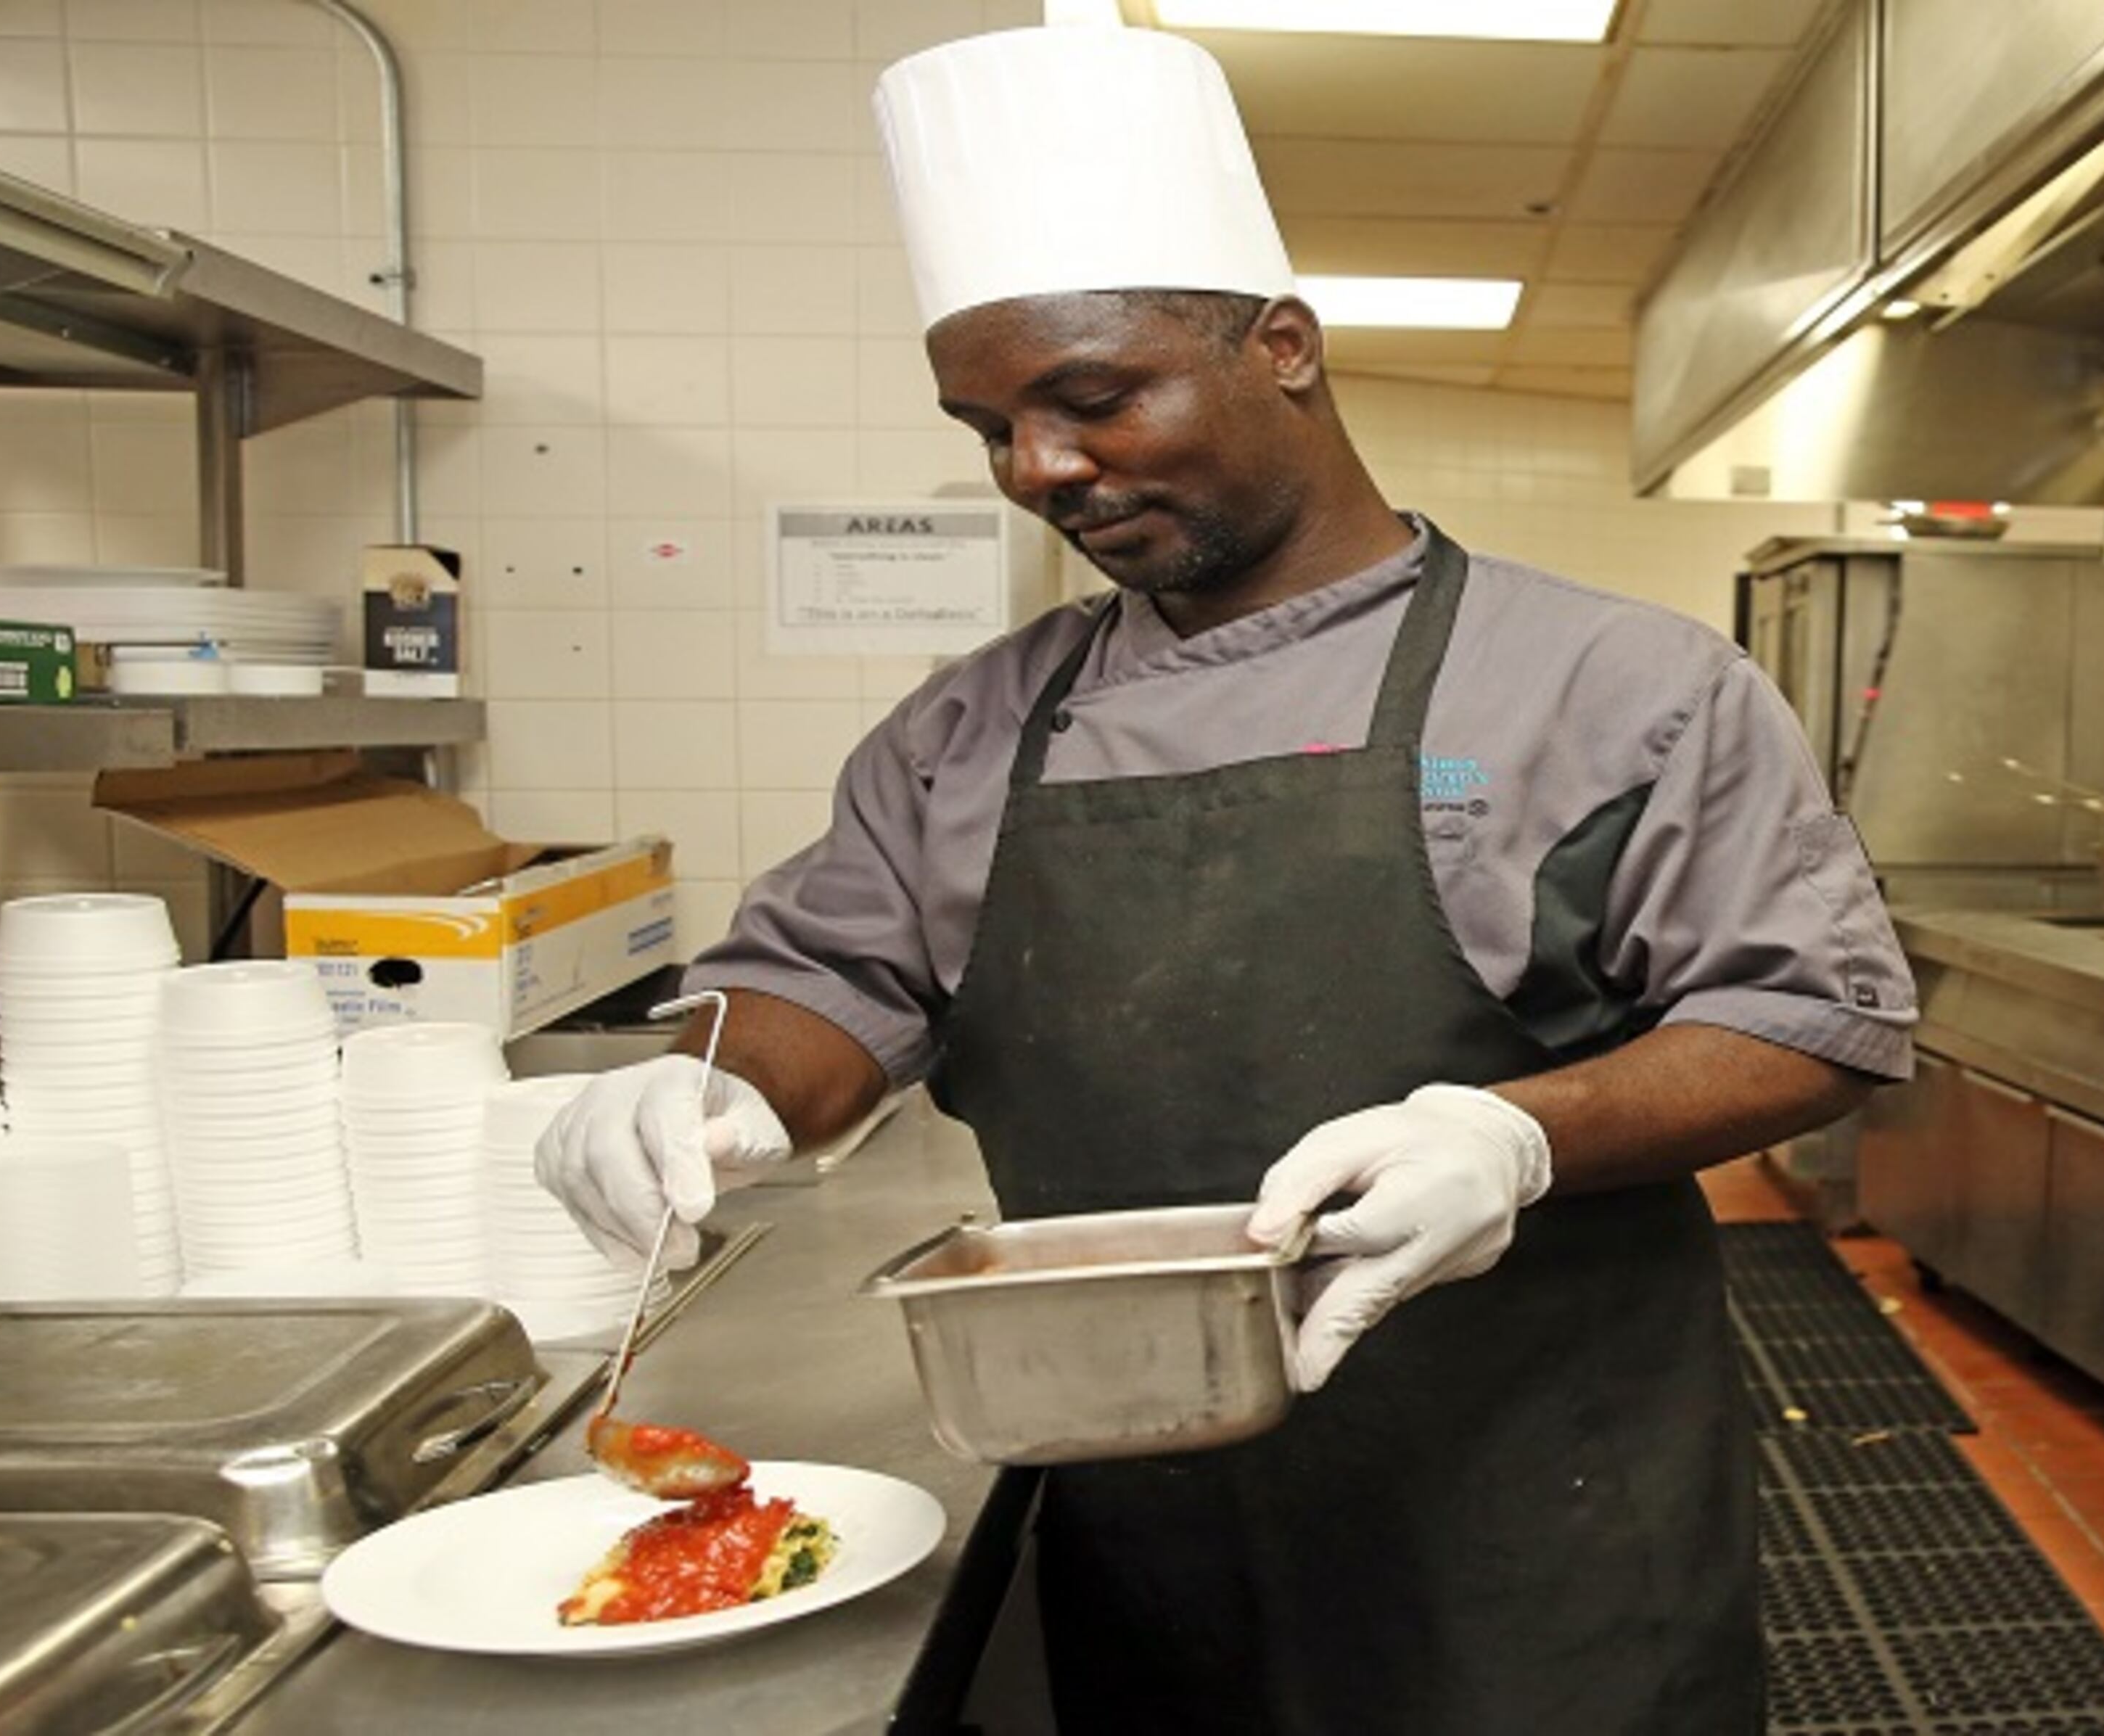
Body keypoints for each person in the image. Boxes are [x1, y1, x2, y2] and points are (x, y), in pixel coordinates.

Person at [538, 26, 1915, 1735]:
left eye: (1095, 400)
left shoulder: (1616, 684)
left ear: (1281, 350)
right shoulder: (970, 727)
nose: (1039, 469)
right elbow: (832, 987)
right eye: (991, 427)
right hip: (1141, 1500)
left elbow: (1812, 1017)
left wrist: (1517, 1137)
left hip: (1532, 1504)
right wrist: (716, 1097)